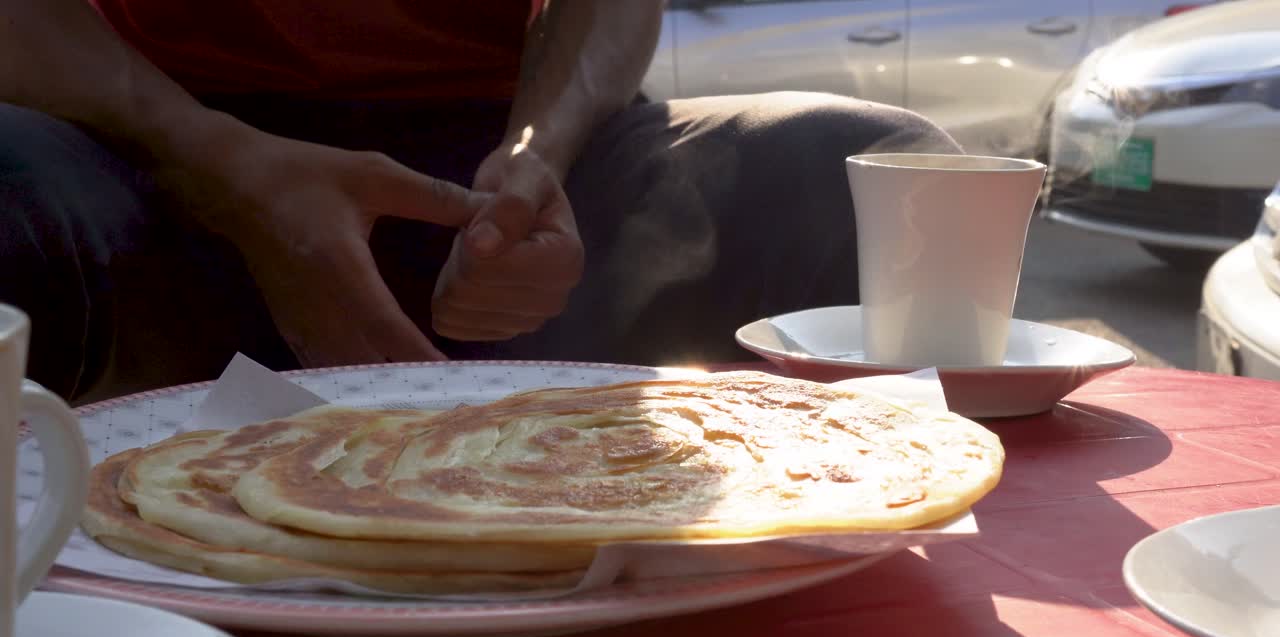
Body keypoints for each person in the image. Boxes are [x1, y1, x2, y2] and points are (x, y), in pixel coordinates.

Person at [0, 1, 959, 403]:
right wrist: (226, 171)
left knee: (873, 174)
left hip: (498, 168)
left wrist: (537, 156)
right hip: (158, 164)